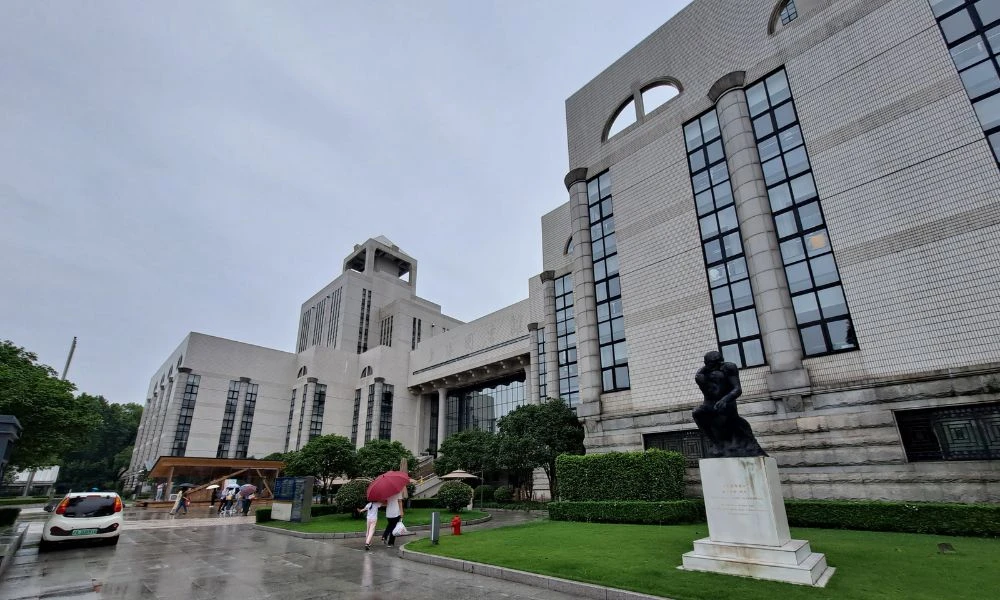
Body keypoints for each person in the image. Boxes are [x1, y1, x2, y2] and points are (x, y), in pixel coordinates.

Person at [692, 350, 767, 458]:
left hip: (727, 403)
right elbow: (703, 383)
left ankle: (738, 443)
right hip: (710, 405)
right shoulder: (702, 375)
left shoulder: (729, 368)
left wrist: (725, 399)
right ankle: (716, 444)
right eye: (710, 363)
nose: (716, 365)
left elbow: (737, 389)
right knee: (696, 413)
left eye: (716, 362)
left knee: (728, 419)